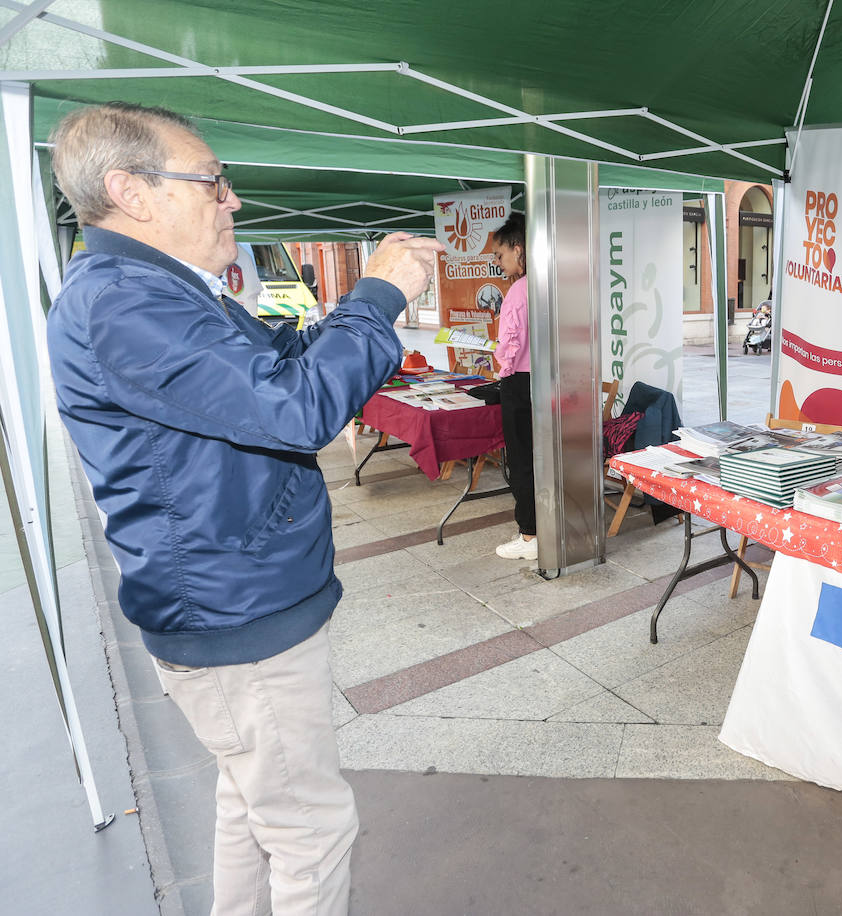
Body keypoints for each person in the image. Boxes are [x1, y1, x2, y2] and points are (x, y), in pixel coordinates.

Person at [46, 101, 443, 914]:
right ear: (133, 192)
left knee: (251, 802)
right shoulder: (127, 303)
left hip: (234, 598)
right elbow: (296, 409)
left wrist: (346, 319)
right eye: (213, 180)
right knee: (312, 830)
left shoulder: (154, 289)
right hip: (234, 612)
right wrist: (375, 300)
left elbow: (268, 371)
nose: (231, 199)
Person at [490, 214, 538, 560]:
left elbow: (510, 342)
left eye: (500, 254)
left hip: (519, 382)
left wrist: (502, 368)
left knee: (521, 459)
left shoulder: (518, 291)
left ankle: (529, 536)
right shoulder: (545, 284)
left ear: (517, 249)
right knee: (541, 458)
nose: (497, 261)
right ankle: (541, 528)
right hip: (547, 380)